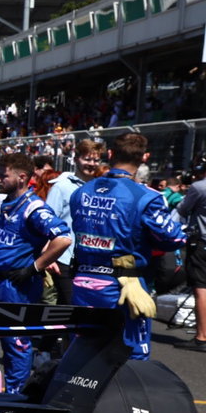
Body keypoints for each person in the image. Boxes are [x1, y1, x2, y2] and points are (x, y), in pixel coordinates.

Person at [68, 132, 185, 360]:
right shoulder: (146, 196)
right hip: (123, 286)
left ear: (110, 154)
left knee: (83, 352)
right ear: (145, 158)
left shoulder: (81, 192)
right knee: (132, 357)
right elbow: (173, 239)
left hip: (83, 282)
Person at [0, 153, 71, 393]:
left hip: (18, 285)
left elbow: (62, 239)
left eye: (3, 175)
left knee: (16, 343)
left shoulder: (34, 207)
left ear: (22, 177)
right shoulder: (9, 202)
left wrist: (34, 267)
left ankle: (14, 400)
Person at [45, 139, 105, 306]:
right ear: (76, 158)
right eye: (87, 159)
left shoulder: (99, 188)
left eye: (95, 160)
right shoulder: (61, 187)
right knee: (71, 305)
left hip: (90, 259)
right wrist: (47, 257)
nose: (91, 164)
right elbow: (46, 223)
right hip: (64, 257)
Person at [178, 162, 206, 352]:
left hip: (202, 243)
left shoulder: (199, 187)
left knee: (201, 288)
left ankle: (202, 336)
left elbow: (182, 209)